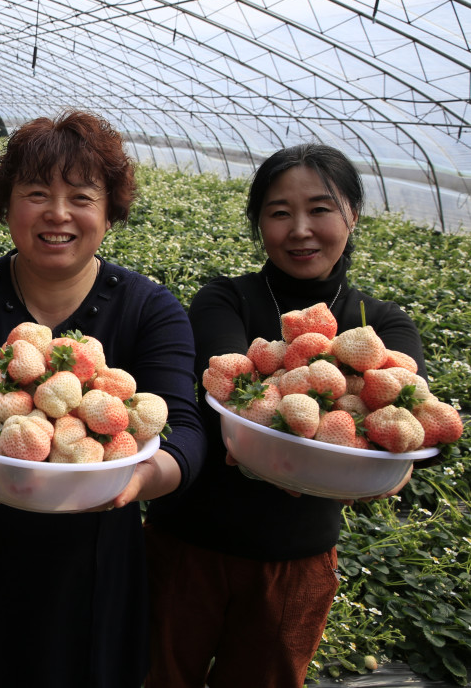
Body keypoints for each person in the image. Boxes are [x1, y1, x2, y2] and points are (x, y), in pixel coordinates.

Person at [0, 110, 206, 687]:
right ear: (7, 206)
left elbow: (184, 432)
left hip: (93, 565)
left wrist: (140, 479)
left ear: (111, 212)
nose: (58, 213)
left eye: (82, 196)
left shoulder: (150, 309)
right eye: (36, 193)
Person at [144, 143, 427, 688]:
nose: (300, 230)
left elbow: (414, 419)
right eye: (279, 212)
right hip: (188, 543)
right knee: (161, 675)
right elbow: (234, 393)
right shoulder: (224, 300)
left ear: (352, 215)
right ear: (259, 223)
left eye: (320, 209)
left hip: (296, 560)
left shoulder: (382, 326)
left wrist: (393, 464)